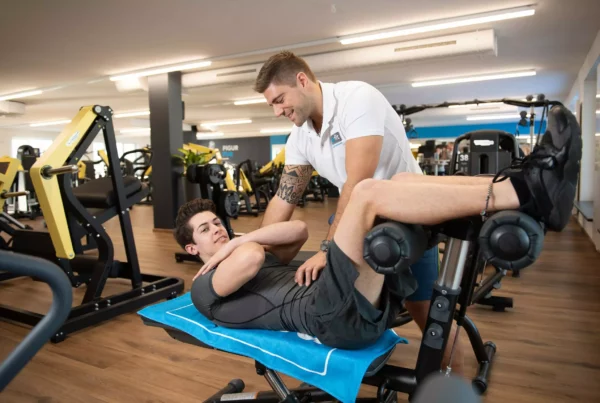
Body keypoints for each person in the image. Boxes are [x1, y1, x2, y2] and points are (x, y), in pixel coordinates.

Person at [175, 103, 581, 354]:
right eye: (205, 231)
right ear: (193, 251)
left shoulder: (244, 251)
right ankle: (526, 191)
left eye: (216, 222)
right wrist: (236, 245)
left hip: (345, 303)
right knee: (367, 192)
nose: (217, 230)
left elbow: (296, 231)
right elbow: (249, 257)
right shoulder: (205, 286)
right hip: (329, 317)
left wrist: (245, 236)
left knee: (399, 182)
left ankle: (520, 185)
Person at [251, 50, 461, 369]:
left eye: (280, 100)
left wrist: (327, 248)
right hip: (362, 223)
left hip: (409, 219)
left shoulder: (357, 99)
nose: (278, 111)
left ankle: (457, 380)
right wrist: (257, 251)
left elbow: (358, 183)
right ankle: (354, 371)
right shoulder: (300, 137)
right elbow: (284, 197)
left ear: (302, 80)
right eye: (272, 105)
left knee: (429, 315)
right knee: (352, 309)